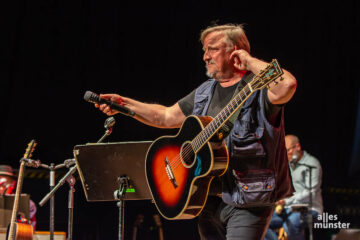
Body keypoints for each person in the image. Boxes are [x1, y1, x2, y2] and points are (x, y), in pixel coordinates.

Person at [95, 24, 297, 240]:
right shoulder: (205, 92)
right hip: (206, 199)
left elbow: (287, 85)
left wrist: (248, 61)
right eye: (204, 50)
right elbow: (164, 117)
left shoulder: (259, 88)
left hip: (248, 201)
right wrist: (124, 104)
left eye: (213, 49)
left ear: (236, 49)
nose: (205, 57)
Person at [265, 135, 323, 240]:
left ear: (297, 147)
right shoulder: (288, 165)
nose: (286, 155)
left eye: (288, 150)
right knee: (262, 224)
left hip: (309, 208)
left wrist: (286, 201)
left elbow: (311, 192)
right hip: (289, 208)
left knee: (290, 225)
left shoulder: (311, 164)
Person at [0, 165, 37, 230]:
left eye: (5, 183)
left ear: (13, 184)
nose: (1, 187)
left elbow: (32, 229)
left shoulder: (28, 204)